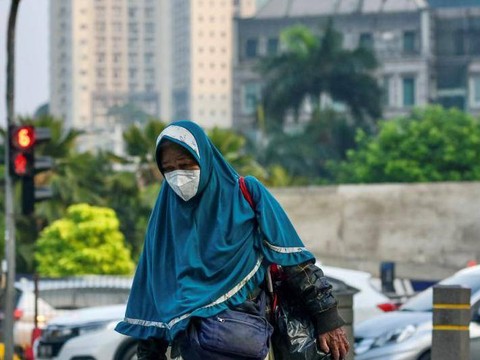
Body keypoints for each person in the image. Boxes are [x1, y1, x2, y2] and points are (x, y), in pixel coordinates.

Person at [115, 120, 350, 360]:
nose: (179, 175)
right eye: (169, 169)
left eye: (186, 164)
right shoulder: (165, 219)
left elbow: (293, 260)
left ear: (205, 159)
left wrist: (327, 318)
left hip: (249, 340)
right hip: (190, 350)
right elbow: (153, 289)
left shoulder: (245, 194)